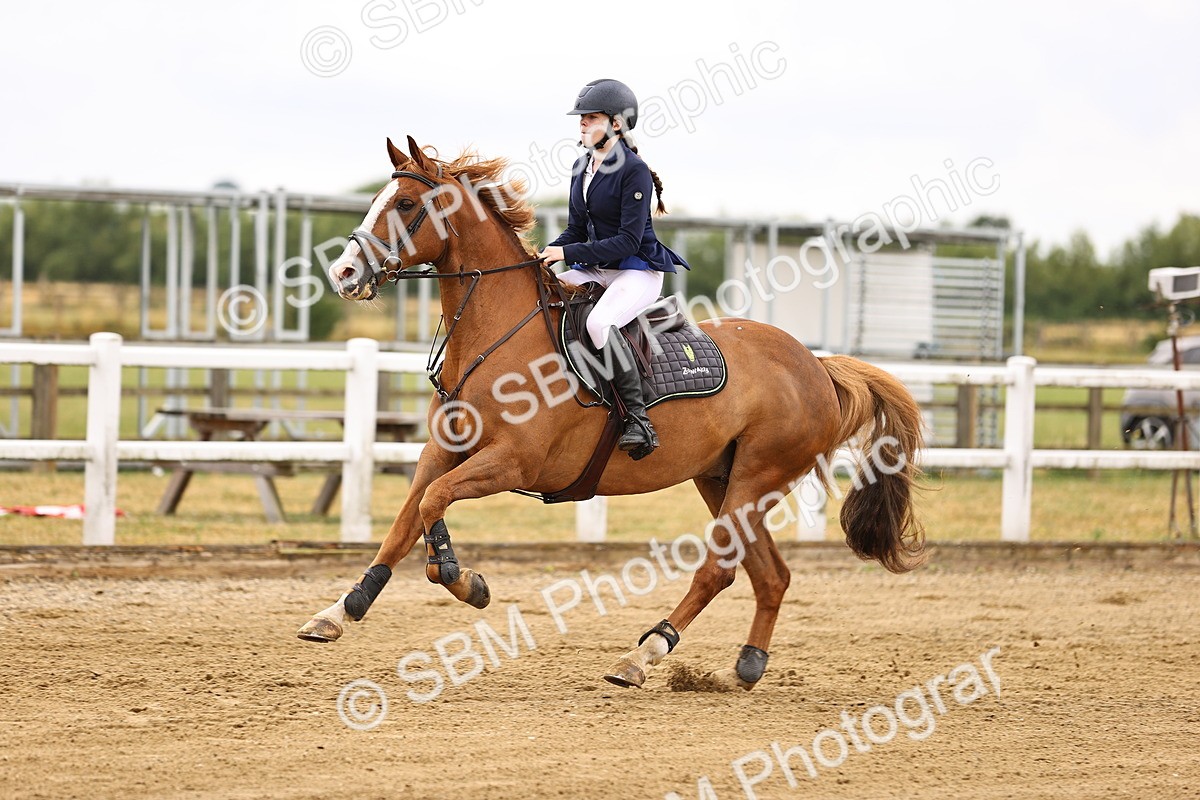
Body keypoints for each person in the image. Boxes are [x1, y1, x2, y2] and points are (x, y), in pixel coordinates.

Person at [539, 78, 689, 460]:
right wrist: (550, 251)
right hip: (597, 268)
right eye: (581, 119)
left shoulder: (634, 171)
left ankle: (638, 419)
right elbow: (575, 228)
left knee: (598, 323)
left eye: (591, 118)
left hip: (635, 270)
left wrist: (568, 251)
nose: (582, 124)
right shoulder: (581, 166)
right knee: (546, 297)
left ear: (617, 125)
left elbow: (627, 241)